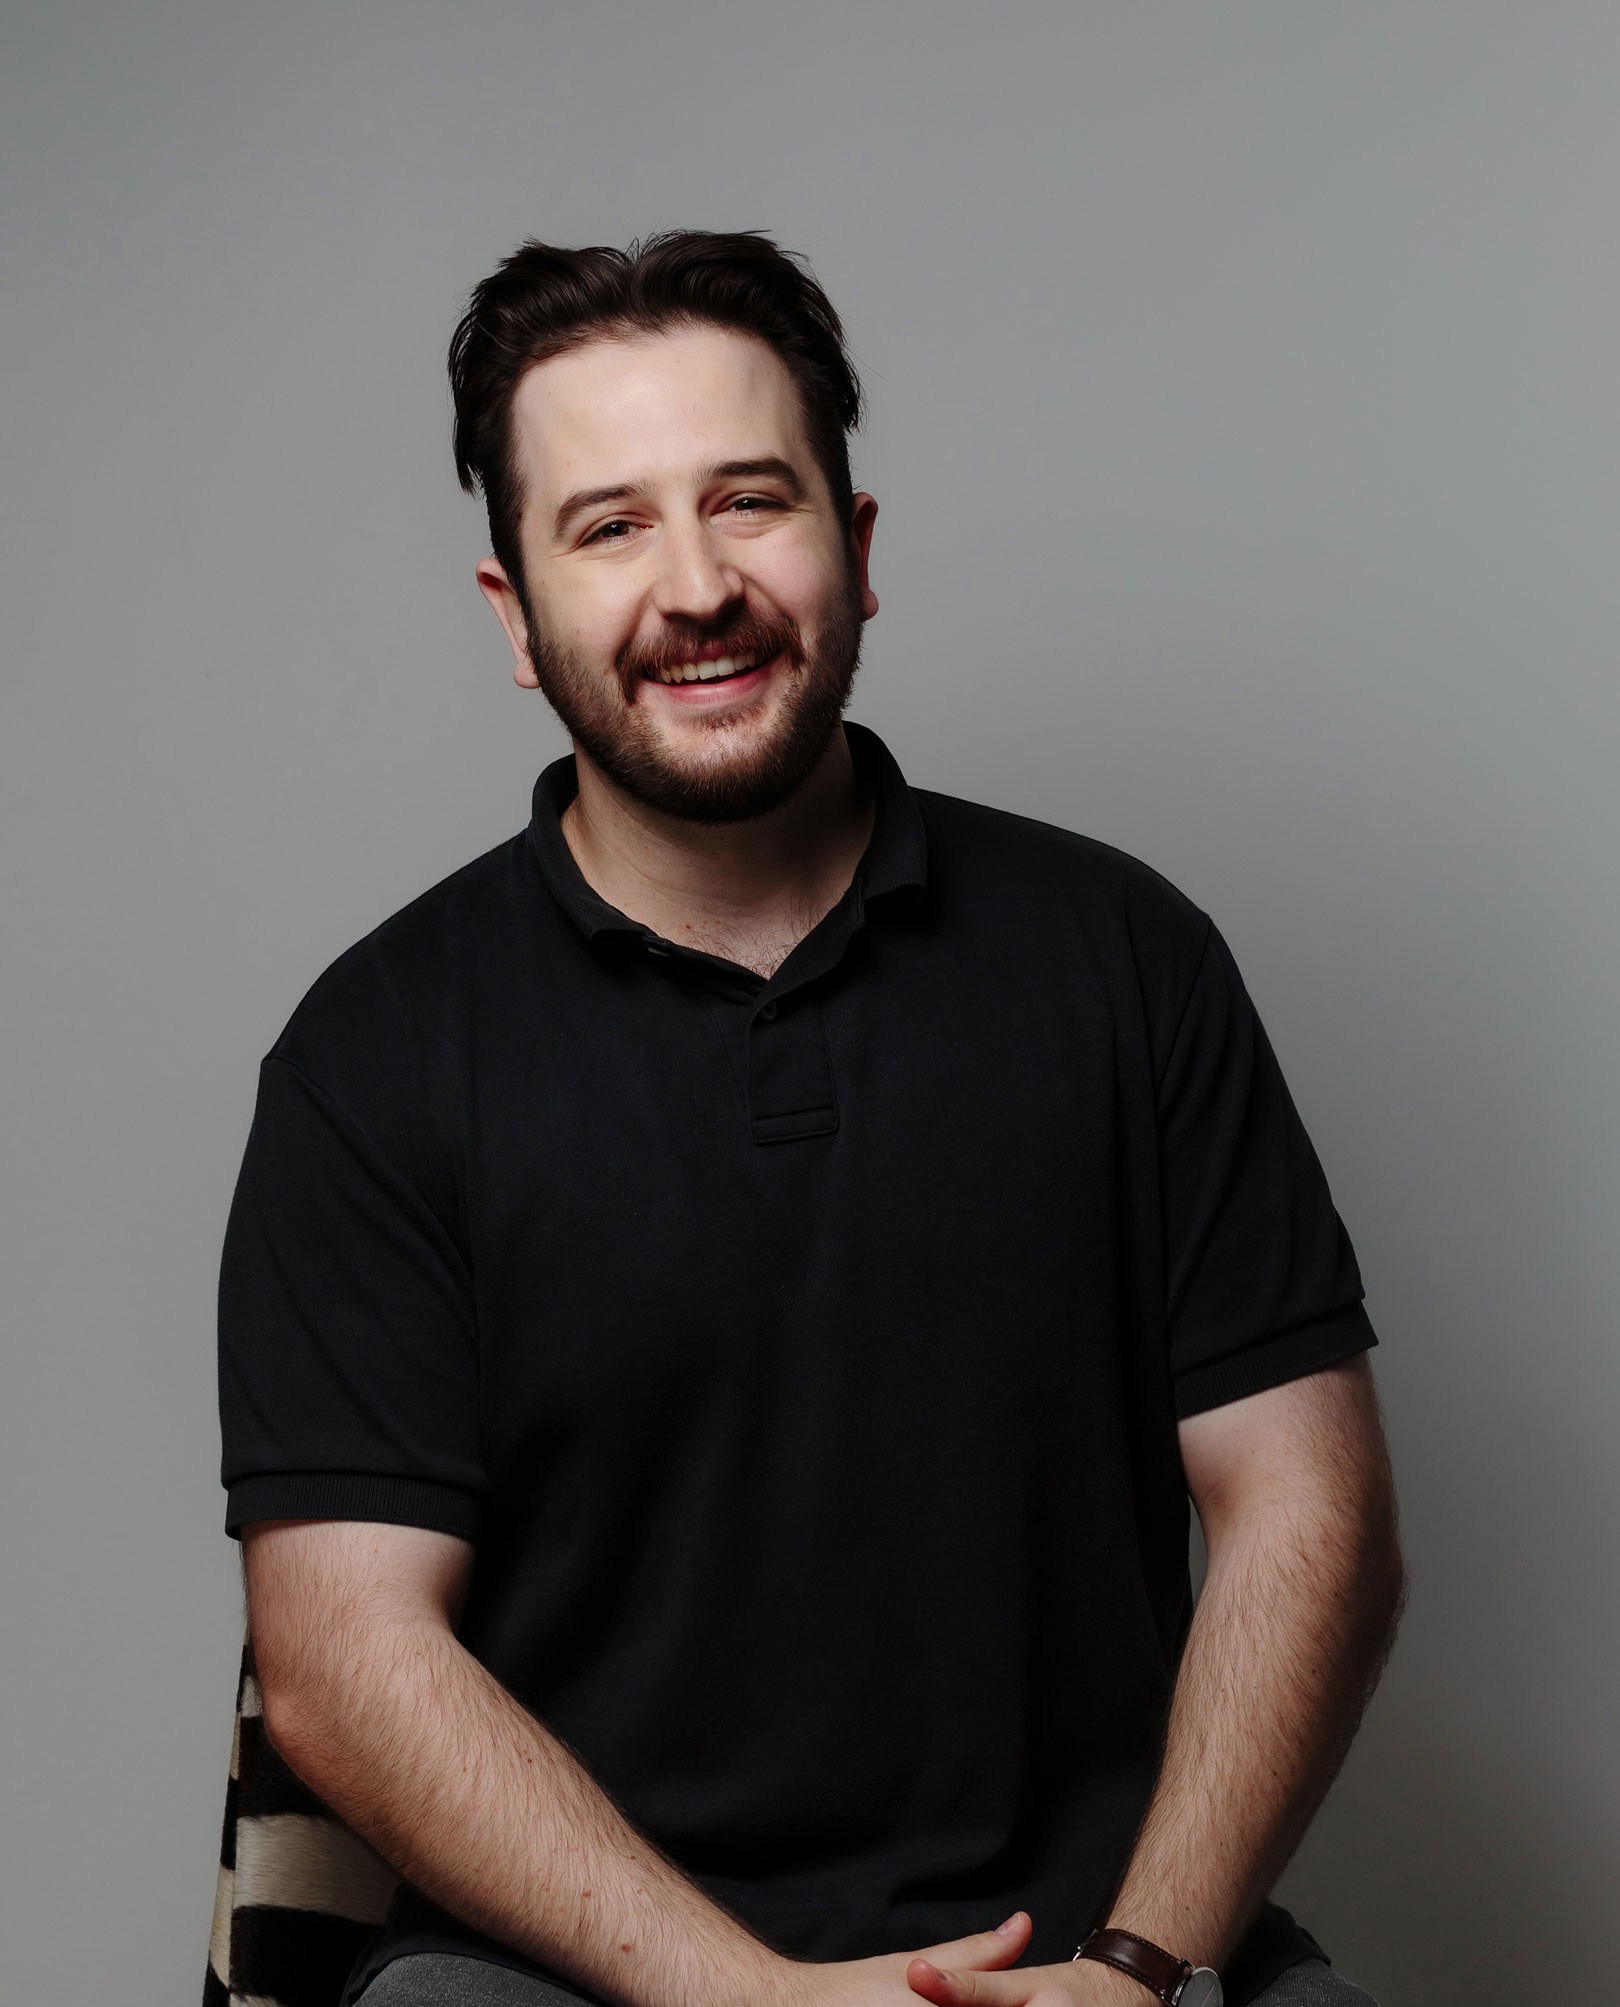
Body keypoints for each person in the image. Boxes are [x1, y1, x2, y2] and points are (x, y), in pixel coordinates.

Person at [219, 231, 1404, 2007]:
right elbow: (339, 1658)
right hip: (575, 1974)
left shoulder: (1125, 959)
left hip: (1103, 1952)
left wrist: (1143, 1963)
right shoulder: (371, 1057)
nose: (695, 586)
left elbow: (1313, 1516)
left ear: (853, 546)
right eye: (609, 527)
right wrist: (750, 1999)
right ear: (516, 616)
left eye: (749, 502)